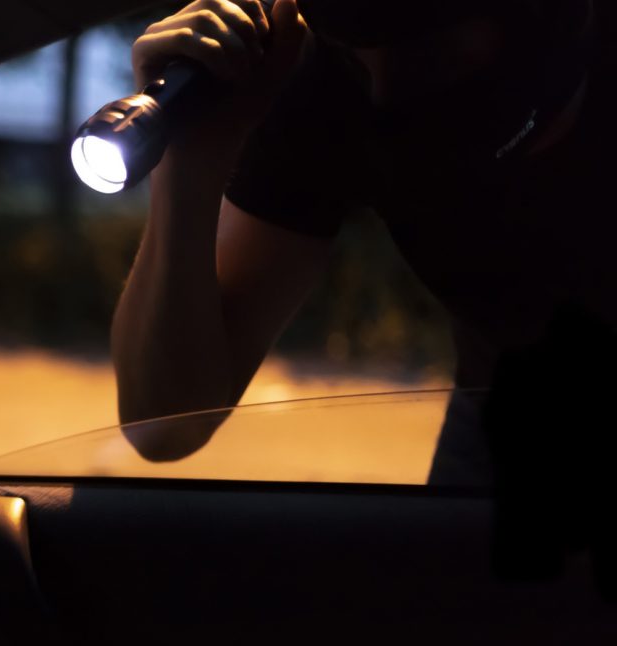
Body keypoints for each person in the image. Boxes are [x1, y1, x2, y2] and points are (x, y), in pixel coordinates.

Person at [110, 0, 609, 482]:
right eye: (357, 56)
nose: (384, 99)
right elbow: (166, 427)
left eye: (427, 57)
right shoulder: (325, 84)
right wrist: (188, 161)